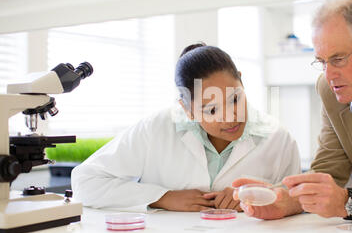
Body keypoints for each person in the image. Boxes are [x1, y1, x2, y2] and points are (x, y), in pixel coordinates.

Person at [234, 0, 352, 223]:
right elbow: (329, 169)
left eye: (339, 59)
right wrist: (285, 198)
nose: (329, 75)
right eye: (322, 61)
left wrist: (348, 201)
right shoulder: (331, 90)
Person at [71, 43, 301, 213]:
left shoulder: (278, 138)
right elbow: (85, 182)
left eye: (234, 99)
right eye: (211, 110)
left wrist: (253, 197)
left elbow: (296, 202)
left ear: (241, 81)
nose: (230, 117)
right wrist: (161, 197)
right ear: (187, 108)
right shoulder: (156, 128)